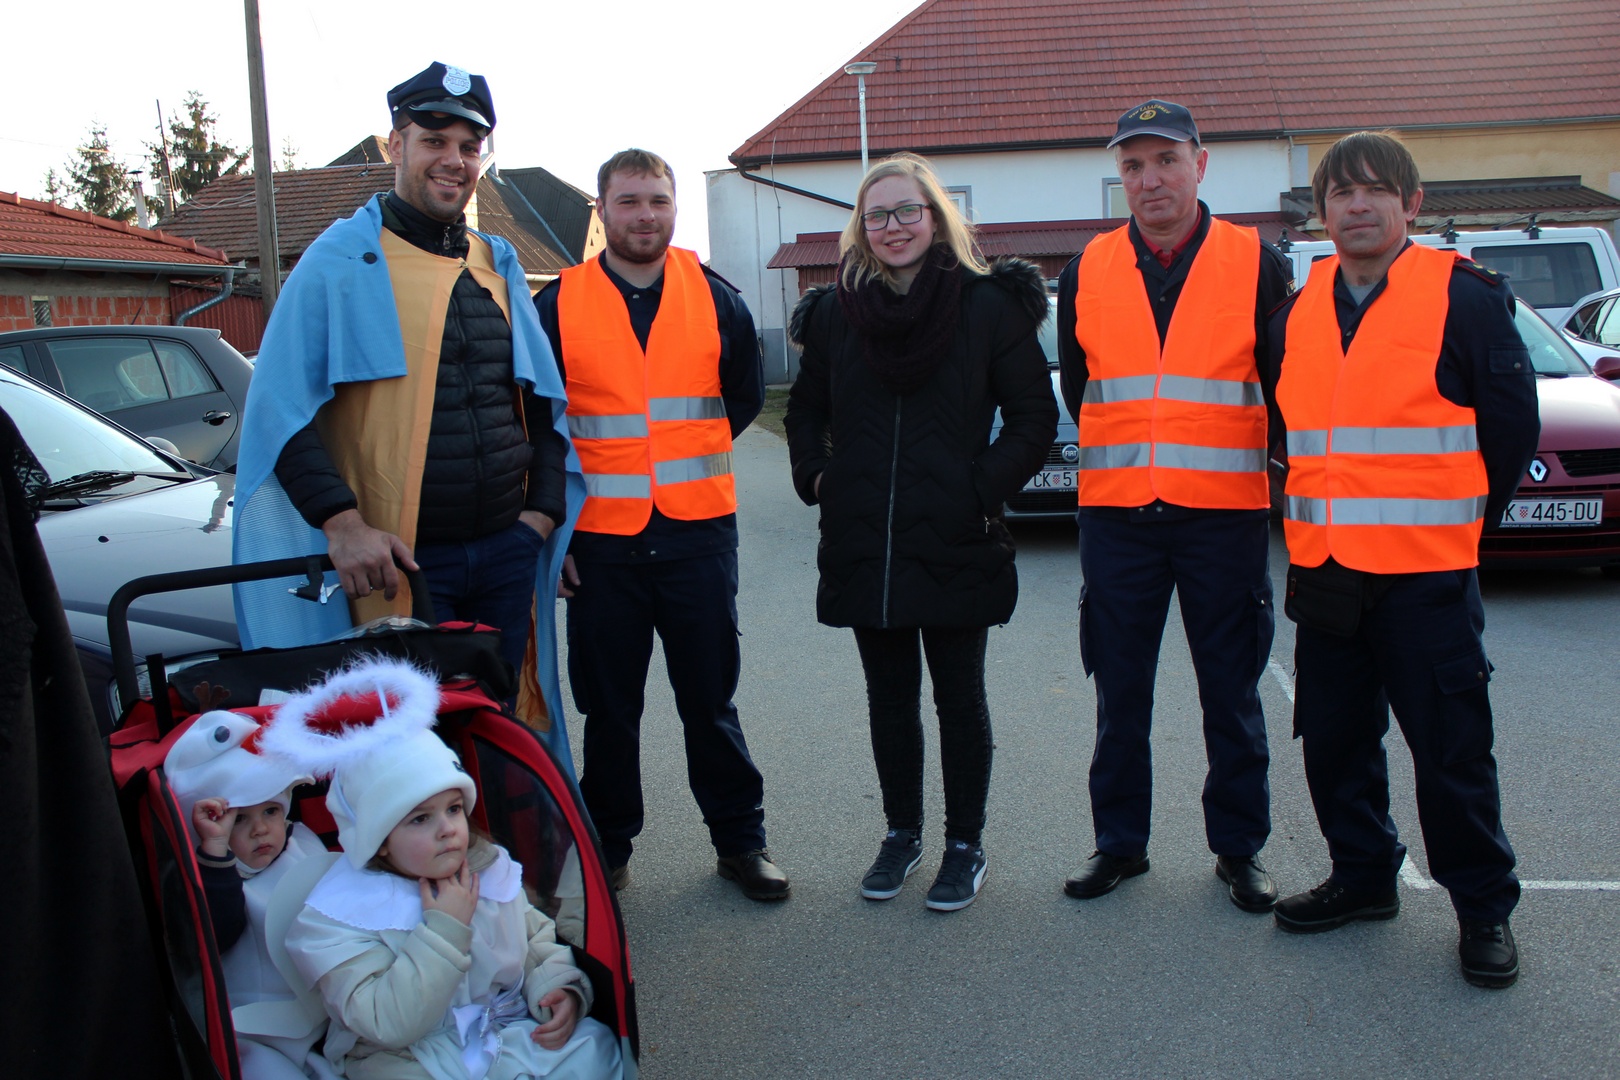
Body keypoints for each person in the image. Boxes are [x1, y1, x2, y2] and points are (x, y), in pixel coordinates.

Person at [231, 63, 580, 748]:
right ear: (396, 145)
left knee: (502, 734)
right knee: (405, 749)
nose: (454, 160)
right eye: (434, 140)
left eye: (469, 147)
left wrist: (539, 519)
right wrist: (343, 524)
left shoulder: (499, 264)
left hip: (507, 553)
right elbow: (280, 415)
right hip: (402, 568)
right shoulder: (338, 262)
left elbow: (541, 408)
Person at [1264, 131, 1536, 989]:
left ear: (1411, 204)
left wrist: (1459, 532)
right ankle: (1363, 876)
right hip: (1327, 571)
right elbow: (1290, 433)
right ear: (1322, 212)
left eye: (1376, 190)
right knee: (1334, 740)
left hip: (1426, 577)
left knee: (1452, 751)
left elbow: (1510, 432)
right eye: (1341, 193)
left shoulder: (1465, 297)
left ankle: (1483, 908)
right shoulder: (1297, 311)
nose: (1357, 205)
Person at [785, 152, 1057, 911]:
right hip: (864, 537)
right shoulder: (836, 313)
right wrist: (819, 478)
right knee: (889, 697)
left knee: (959, 698)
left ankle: (964, 845)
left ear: (935, 217)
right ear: (860, 228)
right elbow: (804, 410)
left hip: (956, 534)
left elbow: (1033, 417)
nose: (894, 226)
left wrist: (978, 488)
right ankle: (901, 834)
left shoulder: (987, 305)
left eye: (908, 210)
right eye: (877, 214)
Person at [1056, 100, 1293, 910]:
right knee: (1119, 694)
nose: (1150, 179)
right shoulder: (1086, 269)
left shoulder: (1257, 263)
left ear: (1201, 163)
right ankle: (1120, 844)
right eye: (1133, 165)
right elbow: (1080, 387)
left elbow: (1283, 388)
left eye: (1165, 160)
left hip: (1221, 516)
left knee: (1231, 693)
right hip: (1118, 516)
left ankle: (1240, 849)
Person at [533, 149, 785, 901]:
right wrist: (559, 533)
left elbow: (741, 398)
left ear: (675, 208)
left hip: (695, 535)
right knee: (609, 710)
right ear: (602, 211)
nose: (645, 215)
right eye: (629, 201)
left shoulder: (716, 298)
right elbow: (539, 426)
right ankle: (608, 848)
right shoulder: (558, 303)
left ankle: (741, 844)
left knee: (710, 702)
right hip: (600, 545)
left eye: (658, 201)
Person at [272, 659, 623, 1078]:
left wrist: (557, 987)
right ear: (378, 839)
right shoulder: (341, 915)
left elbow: (534, 938)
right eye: (420, 818)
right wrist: (444, 930)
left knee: (597, 1048)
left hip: (504, 1026)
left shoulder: (485, 868)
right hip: (405, 1055)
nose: (448, 829)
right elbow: (387, 1023)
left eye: (454, 809)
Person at [165, 712, 330, 1080]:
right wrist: (215, 851)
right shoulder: (216, 878)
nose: (260, 829)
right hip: (255, 1027)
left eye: (271, 811)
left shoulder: (301, 844)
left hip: (327, 1003)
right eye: (240, 819)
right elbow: (213, 934)